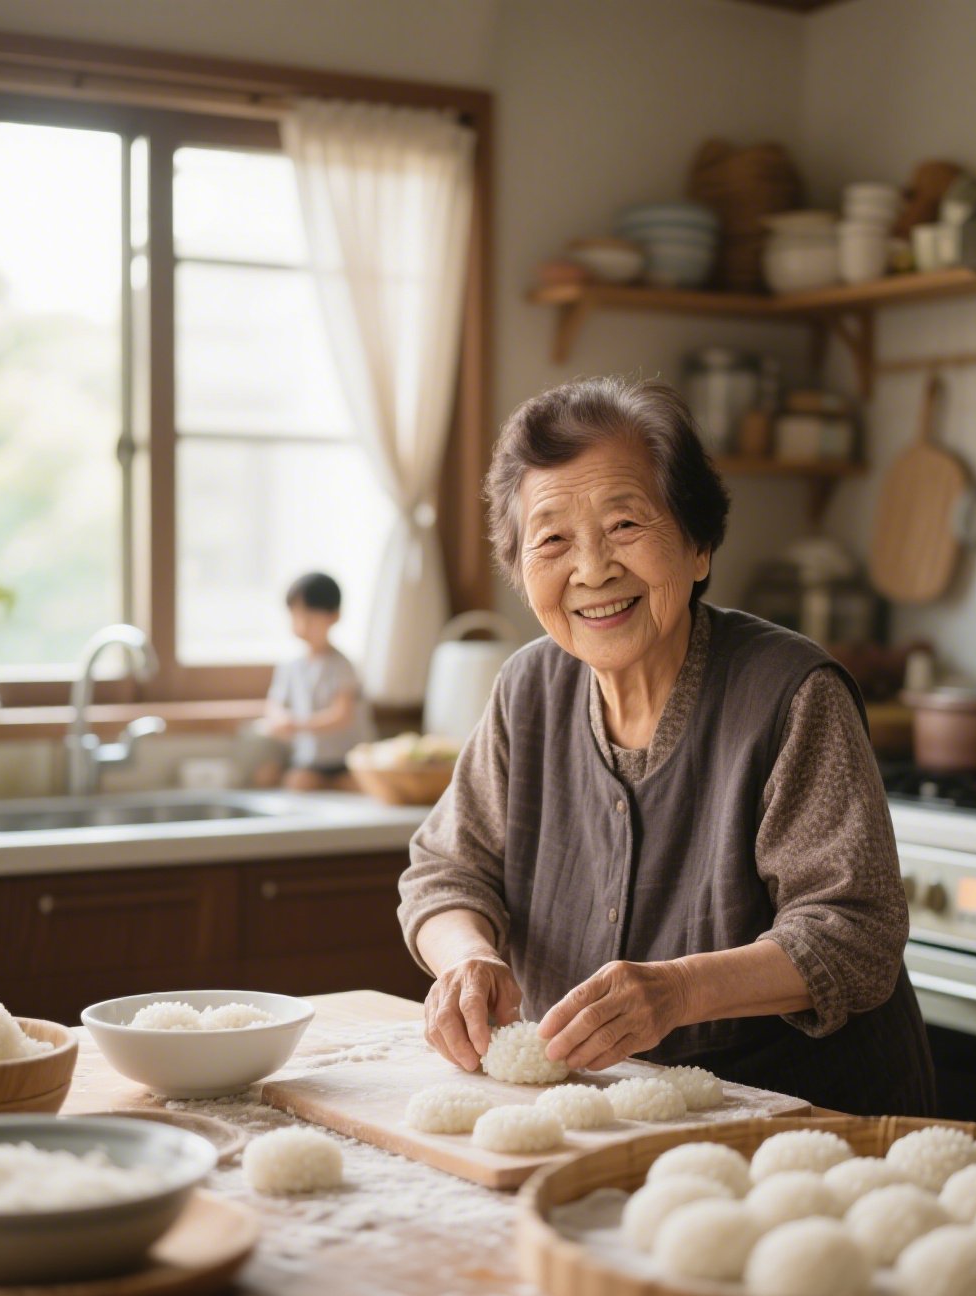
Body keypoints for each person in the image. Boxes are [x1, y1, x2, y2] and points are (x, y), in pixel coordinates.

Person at [396, 377, 935, 1115]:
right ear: (520, 572)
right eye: (552, 539)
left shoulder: (791, 693)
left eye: (625, 525)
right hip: (607, 1116)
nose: (593, 570)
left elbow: (855, 933)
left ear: (698, 544)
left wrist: (679, 990)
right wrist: (468, 959)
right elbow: (446, 872)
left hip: (804, 1121)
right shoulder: (528, 689)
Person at [256, 572, 374, 792]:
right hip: (311, 758)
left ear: (333, 616)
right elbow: (274, 705)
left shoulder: (341, 666)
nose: (300, 624)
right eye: (295, 616)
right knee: (290, 780)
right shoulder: (291, 667)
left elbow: (342, 715)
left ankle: (330, 782)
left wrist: (297, 725)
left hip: (346, 757)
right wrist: (280, 720)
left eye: (309, 617)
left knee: (358, 783)